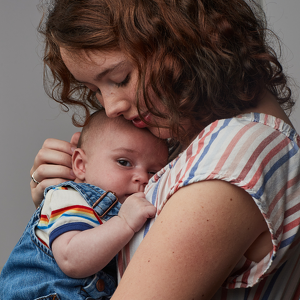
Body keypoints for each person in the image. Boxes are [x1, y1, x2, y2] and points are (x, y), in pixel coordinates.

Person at [29, 0, 300, 299]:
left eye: (121, 79)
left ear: (185, 39)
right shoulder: (207, 148)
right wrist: (68, 203)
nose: (110, 106)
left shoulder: (234, 156)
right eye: (94, 89)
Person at [0, 110, 169, 300]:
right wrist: (124, 223)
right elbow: (70, 259)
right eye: (124, 162)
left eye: (154, 172)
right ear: (80, 164)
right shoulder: (70, 196)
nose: (143, 178)